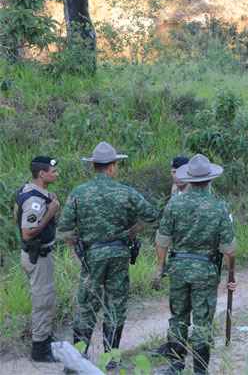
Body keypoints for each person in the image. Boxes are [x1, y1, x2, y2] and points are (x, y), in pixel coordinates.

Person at [57, 141, 158, 368]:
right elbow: (152, 215)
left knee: (86, 304)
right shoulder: (125, 191)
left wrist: (77, 244)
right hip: (119, 253)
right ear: (112, 167)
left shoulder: (79, 192)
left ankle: (77, 360)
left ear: (94, 166)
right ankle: (111, 359)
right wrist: (132, 231)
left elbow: (64, 228)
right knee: (116, 304)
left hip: (92, 255)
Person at [153, 154, 236, 375]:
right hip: (206, 271)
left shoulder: (175, 204)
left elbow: (162, 241)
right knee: (202, 321)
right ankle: (200, 370)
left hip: (178, 268)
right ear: (210, 180)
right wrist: (230, 276)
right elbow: (229, 249)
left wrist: (160, 268)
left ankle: (175, 366)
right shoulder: (218, 207)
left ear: (188, 179)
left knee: (178, 317)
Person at [15, 156, 60, 362]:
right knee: (43, 301)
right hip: (37, 255)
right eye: (53, 171)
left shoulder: (31, 190)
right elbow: (28, 232)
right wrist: (50, 213)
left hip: (37, 254)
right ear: (42, 174)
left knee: (46, 298)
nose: (56, 173)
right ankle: (40, 350)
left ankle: (45, 338)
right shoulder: (34, 199)